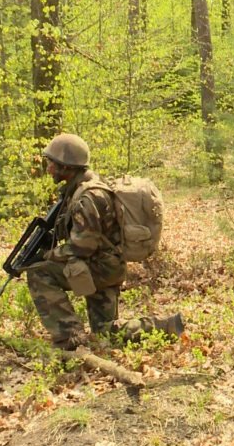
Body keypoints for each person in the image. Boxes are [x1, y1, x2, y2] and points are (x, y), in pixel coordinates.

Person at [26, 133, 183, 350]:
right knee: (106, 332)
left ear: (67, 166)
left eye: (53, 164)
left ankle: (69, 339)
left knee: (38, 272)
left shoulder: (86, 198)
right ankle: (167, 326)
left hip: (98, 268)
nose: (49, 169)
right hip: (108, 266)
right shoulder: (87, 187)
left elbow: (82, 247)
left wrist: (46, 256)